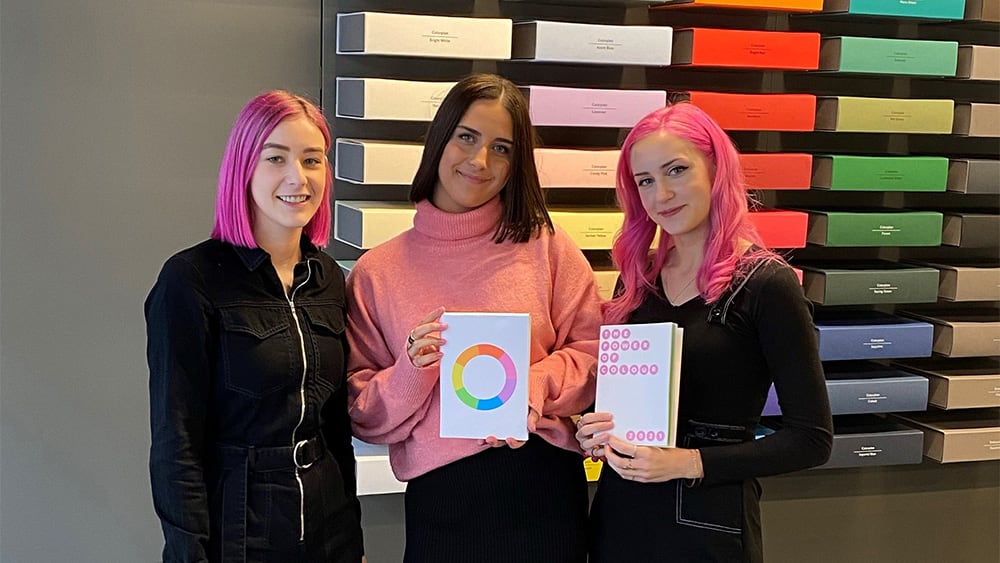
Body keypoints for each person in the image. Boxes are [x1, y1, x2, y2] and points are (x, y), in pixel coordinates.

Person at [345, 73, 602, 563]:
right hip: (443, 500)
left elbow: (592, 359)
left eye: (501, 148)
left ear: (516, 164)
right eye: (467, 137)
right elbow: (362, 412)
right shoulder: (376, 272)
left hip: (543, 488)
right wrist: (410, 372)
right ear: (440, 137)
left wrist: (535, 384)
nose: (480, 161)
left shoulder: (548, 249)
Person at [575, 102, 833, 563]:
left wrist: (691, 463)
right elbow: (623, 406)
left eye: (676, 170)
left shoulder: (766, 285)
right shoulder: (636, 281)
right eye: (646, 181)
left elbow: (811, 439)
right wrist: (594, 429)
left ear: (716, 169)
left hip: (708, 527)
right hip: (621, 519)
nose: (662, 195)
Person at [145, 91, 364, 563]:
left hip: (329, 530)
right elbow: (175, 441)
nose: (297, 178)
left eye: (312, 160)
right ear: (244, 168)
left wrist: (354, 542)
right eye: (276, 158)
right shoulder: (191, 281)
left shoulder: (328, 278)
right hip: (240, 534)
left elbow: (334, 426)